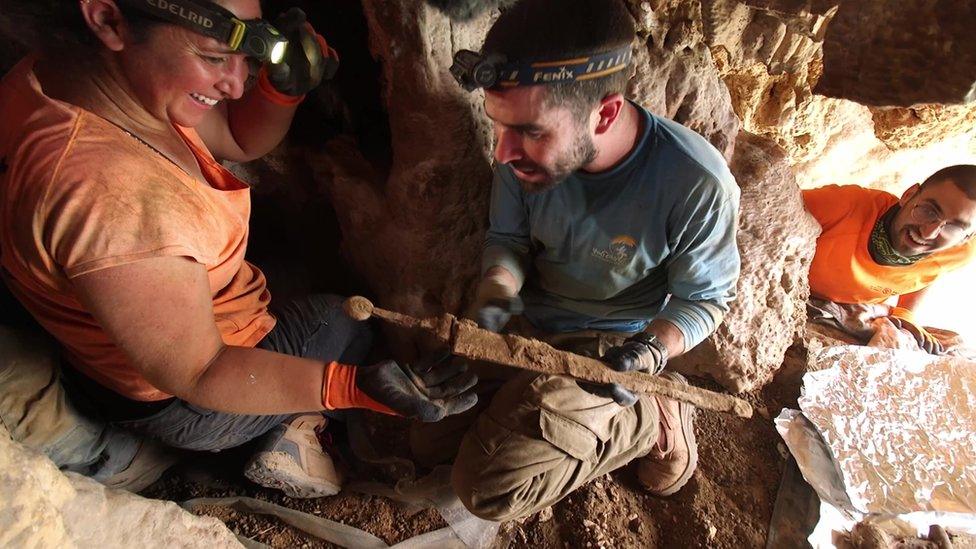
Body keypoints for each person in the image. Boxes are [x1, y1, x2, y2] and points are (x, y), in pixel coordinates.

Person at [0, 0, 476, 496]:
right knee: (342, 319)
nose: (234, 83)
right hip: (181, 400)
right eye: (211, 56)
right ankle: (291, 435)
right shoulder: (112, 199)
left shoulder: (87, 78)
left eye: (245, 54)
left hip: (130, 332)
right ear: (108, 18)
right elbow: (202, 371)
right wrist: (349, 388)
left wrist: (281, 89)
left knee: (289, 270)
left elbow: (234, 137)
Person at [411, 0, 741, 521]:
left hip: (611, 350)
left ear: (604, 111)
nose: (502, 152)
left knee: (486, 488)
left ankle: (653, 412)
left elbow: (705, 299)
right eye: (499, 126)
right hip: (534, 325)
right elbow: (509, 240)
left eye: (532, 130)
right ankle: (539, 413)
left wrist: (650, 353)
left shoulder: (695, 182)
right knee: (425, 438)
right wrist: (498, 288)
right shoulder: (518, 157)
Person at [803, 165, 976, 354]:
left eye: (953, 227)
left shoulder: (959, 251)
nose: (928, 232)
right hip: (798, 294)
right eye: (928, 211)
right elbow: (773, 215)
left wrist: (906, 315)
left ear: (966, 237)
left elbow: (928, 272)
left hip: (860, 308)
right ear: (909, 195)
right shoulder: (841, 206)